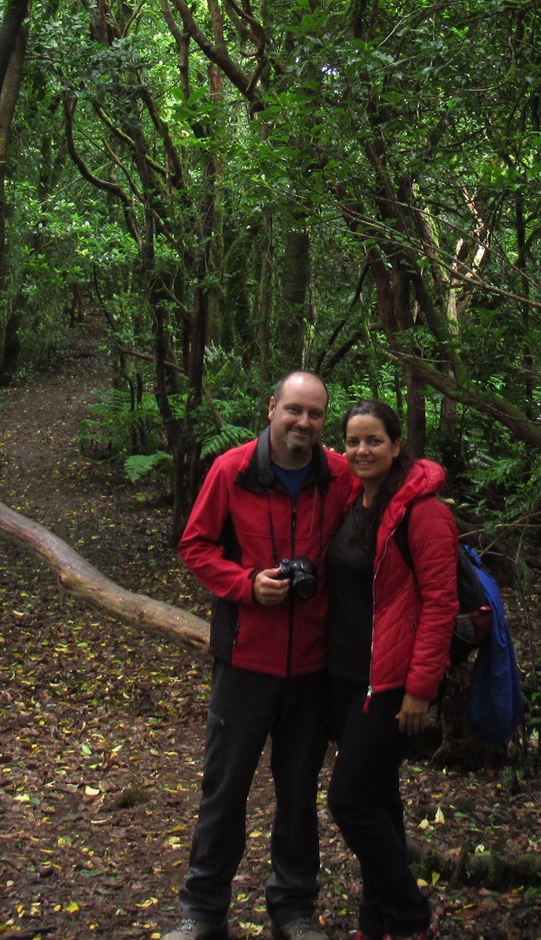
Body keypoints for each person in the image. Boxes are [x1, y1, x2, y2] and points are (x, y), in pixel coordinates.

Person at [166, 371, 358, 940]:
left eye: (316, 414)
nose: (304, 422)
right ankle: (202, 910)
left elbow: (389, 502)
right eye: (294, 410)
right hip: (246, 657)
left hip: (314, 664)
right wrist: (246, 584)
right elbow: (194, 546)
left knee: (298, 789)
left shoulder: (339, 476)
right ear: (272, 408)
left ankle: (293, 909)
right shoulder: (233, 470)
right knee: (225, 786)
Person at [323, 400, 455, 940]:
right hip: (345, 677)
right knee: (380, 800)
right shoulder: (354, 501)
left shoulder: (424, 513)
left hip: (392, 685)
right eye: (353, 441)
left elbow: (440, 604)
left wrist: (420, 691)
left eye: (374, 440)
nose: (361, 451)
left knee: (349, 802)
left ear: (396, 445)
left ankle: (408, 916)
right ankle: (376, 923)